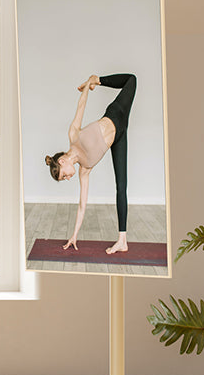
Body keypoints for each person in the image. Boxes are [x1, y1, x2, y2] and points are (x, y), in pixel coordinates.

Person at [45, 73, 137, 254]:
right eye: (64, 179)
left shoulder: (73, 136)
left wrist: (88, 84)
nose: (68, 178)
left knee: (131, 80)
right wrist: (74, 235)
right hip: (119, 137)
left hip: (116, 113)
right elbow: (82, 205)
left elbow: (81, 106)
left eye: (64, 175)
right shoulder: (84, 170)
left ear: (62, 161)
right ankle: (122, 240)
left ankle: (98, 79)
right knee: (121, 186)